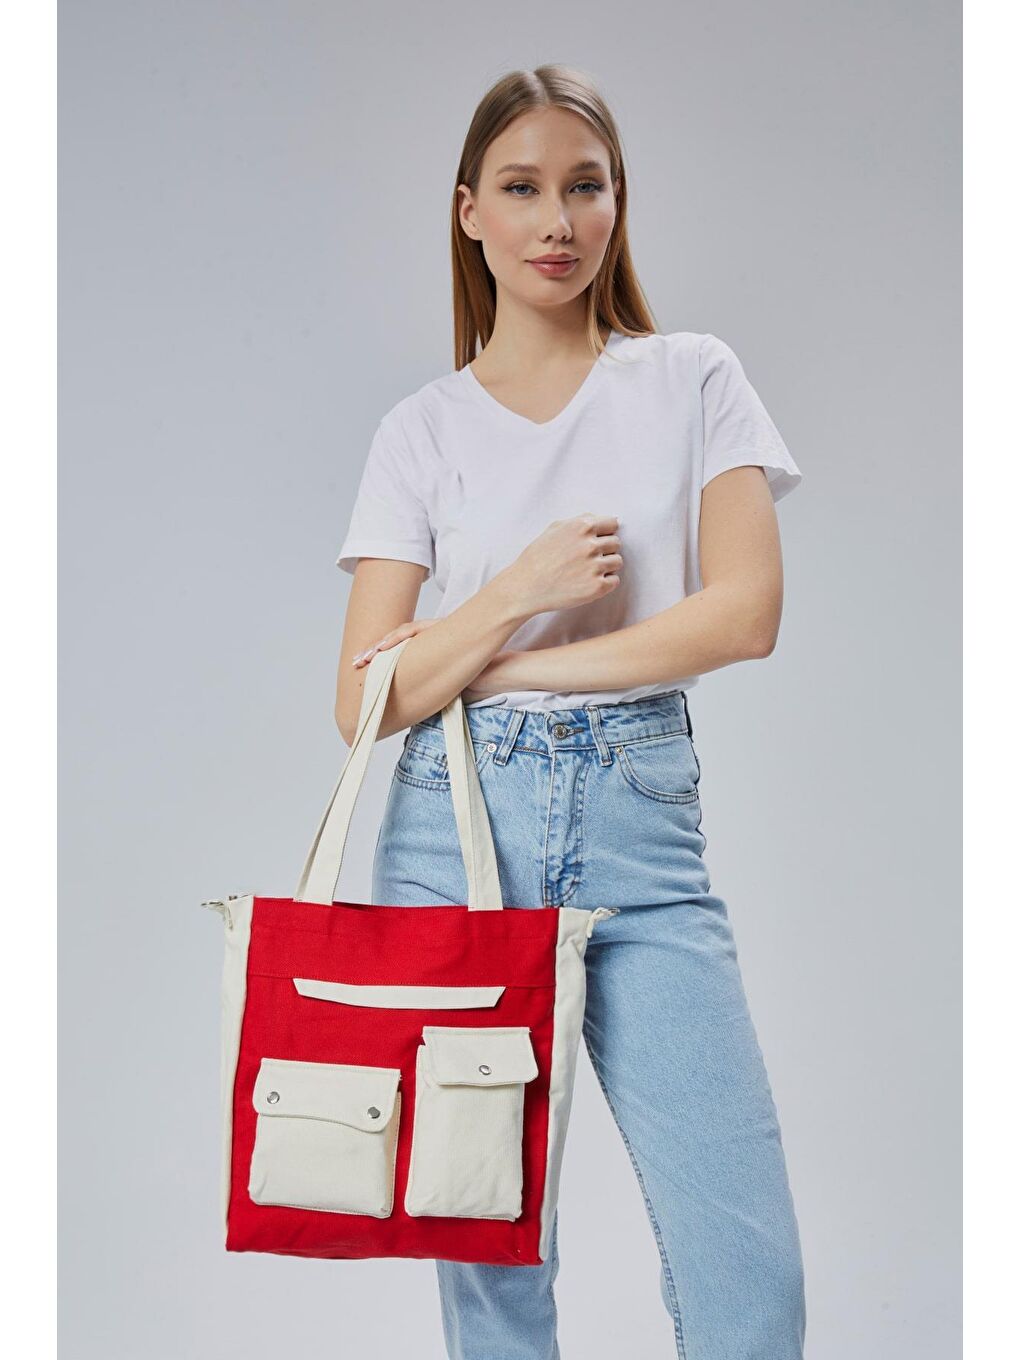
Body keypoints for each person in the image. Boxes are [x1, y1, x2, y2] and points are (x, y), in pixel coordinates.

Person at [334, 64, 806, 1360]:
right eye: (524, 188)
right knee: (488, 1250)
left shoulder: (692, 379)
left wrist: (492, 664)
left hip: (639, 827)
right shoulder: (421, 430)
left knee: (745, 1265)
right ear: (470, 213)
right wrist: (519, 595)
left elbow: (743, 616)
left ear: (618, 203)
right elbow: (364, 699)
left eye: (585, 187)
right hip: (453, 837)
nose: (558, 220)